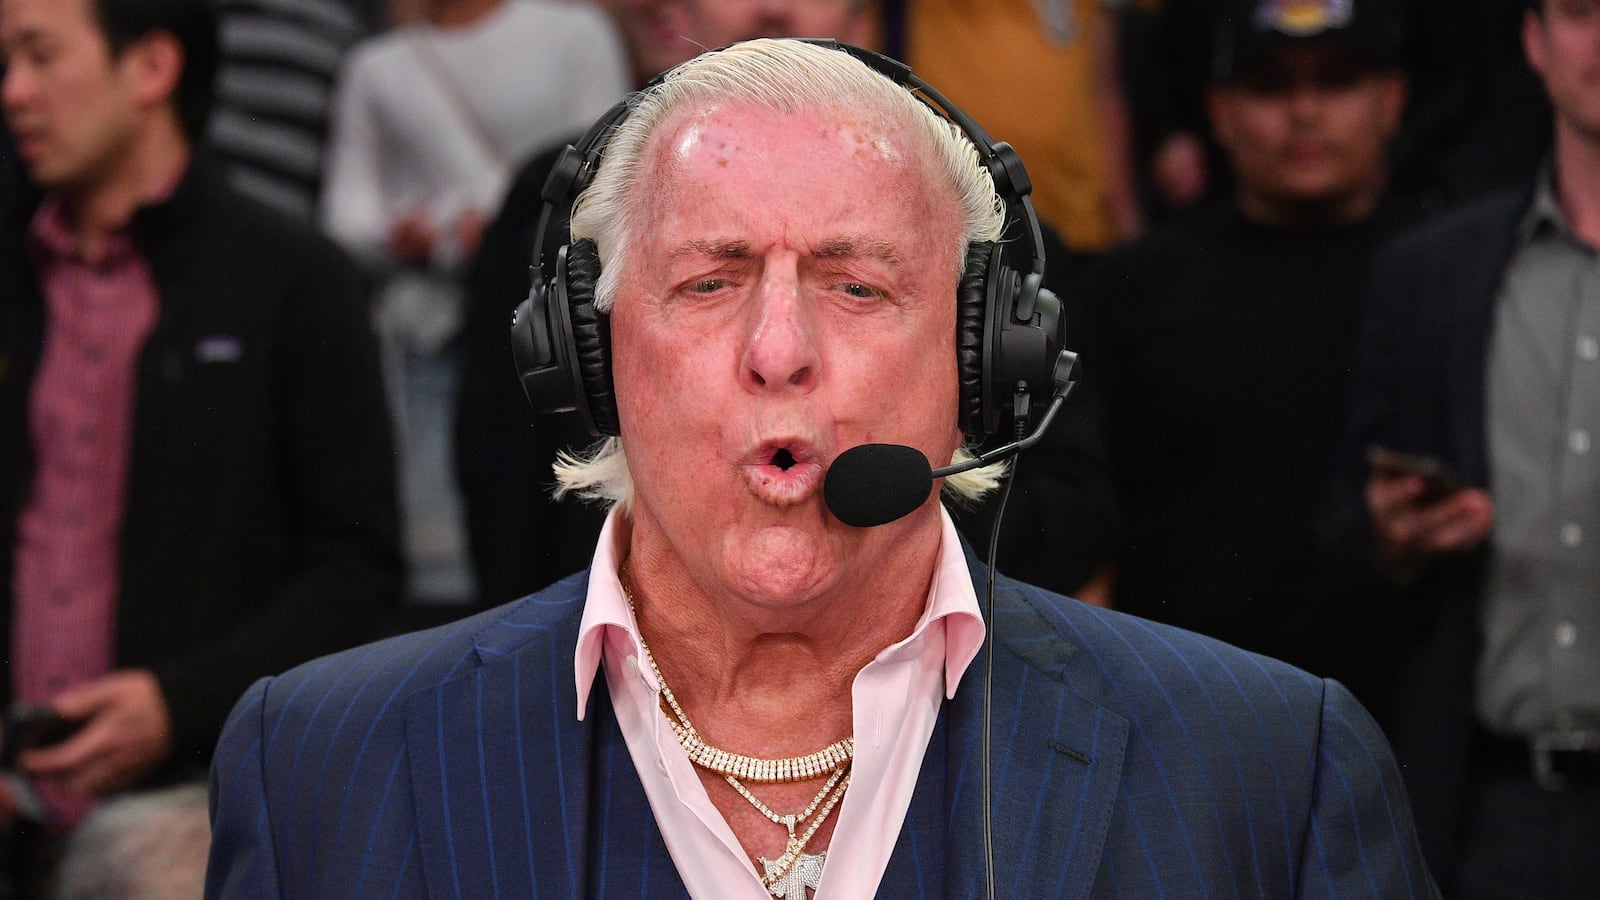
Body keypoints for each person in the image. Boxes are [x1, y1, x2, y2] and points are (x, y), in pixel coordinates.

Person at [207, 38, 1436, 898]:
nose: (779, 351)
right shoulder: (320, 763)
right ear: (586, 359)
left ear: (984, 364)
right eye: (708, 280)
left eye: (858, 285)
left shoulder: (1273, 766)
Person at [0, 0, 400, 888]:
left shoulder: (295, 281)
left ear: (150, 68)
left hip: (200, 823)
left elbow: (358, 568)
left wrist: (179, 703)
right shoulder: (17, 276)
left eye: (38, 56)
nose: (15, 93)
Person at [1059, 0, 1422, 712]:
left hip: (1403, 718)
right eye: (1272, 86)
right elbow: (1084, 530)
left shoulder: (1455, 280)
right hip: (1179, 713)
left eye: (1337, 82)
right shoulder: (1133, 289)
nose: (1305, 113)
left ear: (1392, 100)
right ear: (1219, 111)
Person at [455, 0, 873, 609]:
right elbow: (500, 464)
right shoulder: (561, 199)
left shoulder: (966, 209)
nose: (772, 8)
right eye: (708, 283)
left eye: (856, 286)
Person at [1323, 1, 1600, 894]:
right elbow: (1337, 538)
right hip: (1490, 804)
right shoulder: (1433, 273)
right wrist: (1394, 533)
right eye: (1583, 12)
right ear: (1534, 39)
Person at [320, 0, 629, 604]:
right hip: (424, 339)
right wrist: (432, 231)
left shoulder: (575, 33)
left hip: (562, 333)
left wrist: (464, 222)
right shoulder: (377, 66)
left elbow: (608, 164)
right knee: (442, 562)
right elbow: (345, 215)